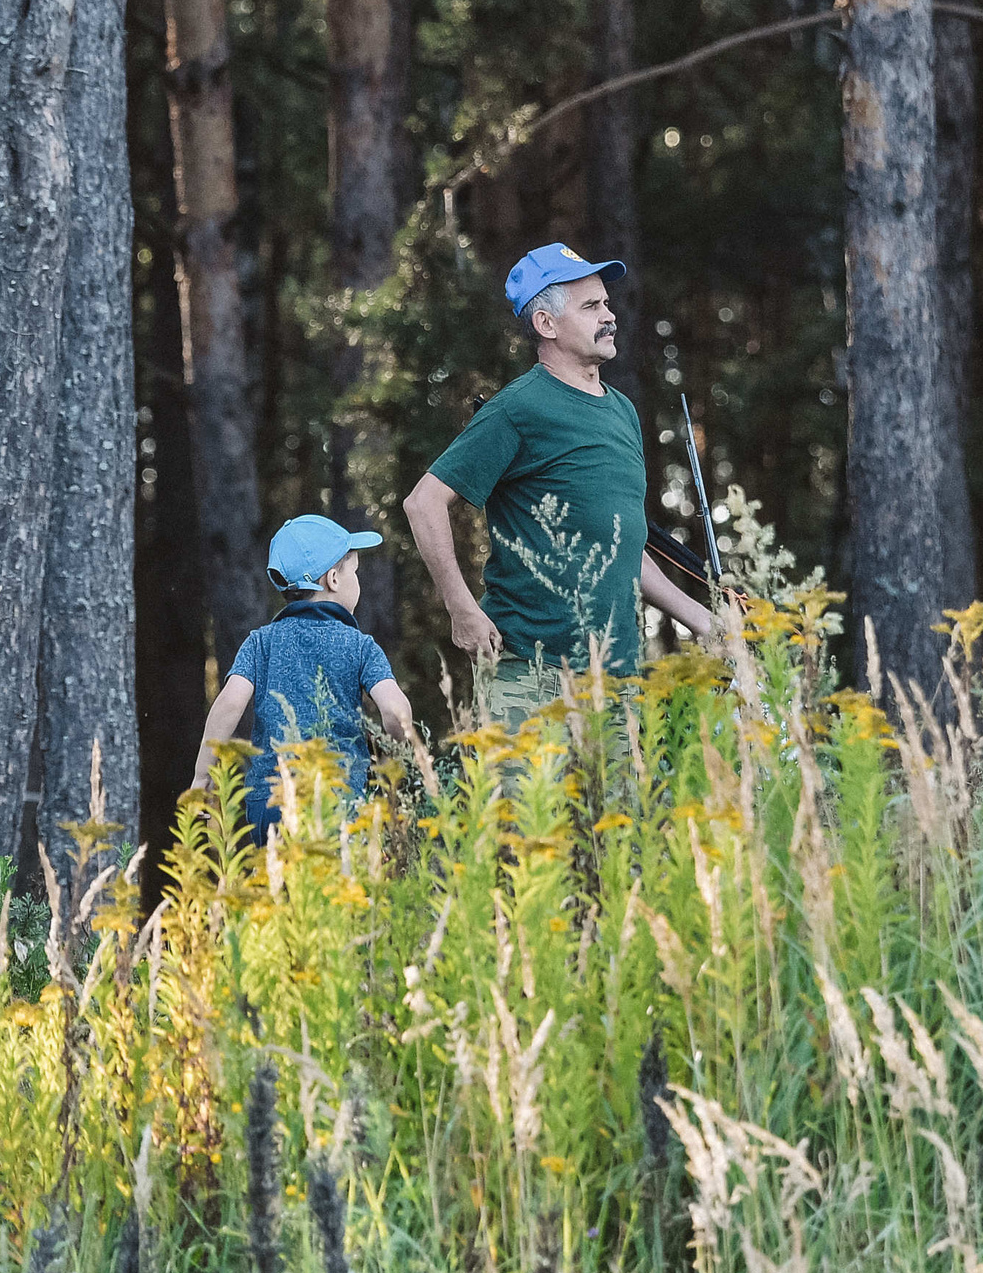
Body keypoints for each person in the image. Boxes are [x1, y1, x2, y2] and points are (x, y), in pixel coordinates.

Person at [402, 242, 714, 723]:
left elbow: (622, 543)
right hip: (530, 676)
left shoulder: (623, 412)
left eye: (606, 303)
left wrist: (701, 620)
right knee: (527, 803)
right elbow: (424, 503)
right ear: (546, 325)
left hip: (617, 681)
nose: (609, 316)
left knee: (619, 803)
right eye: (591, 306)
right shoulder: (516, 409)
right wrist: (461, 610)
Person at [194, 514, 418, 843]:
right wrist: (401, 754)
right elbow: (396, 712)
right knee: (333, 890)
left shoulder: (261, 641)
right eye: (354, 572)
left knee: (277, 886)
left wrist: (202, 776)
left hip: (270, 802)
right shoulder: (360, 646)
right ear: (333, 579)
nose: (358, 582)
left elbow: (229, 703)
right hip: (337, 800)